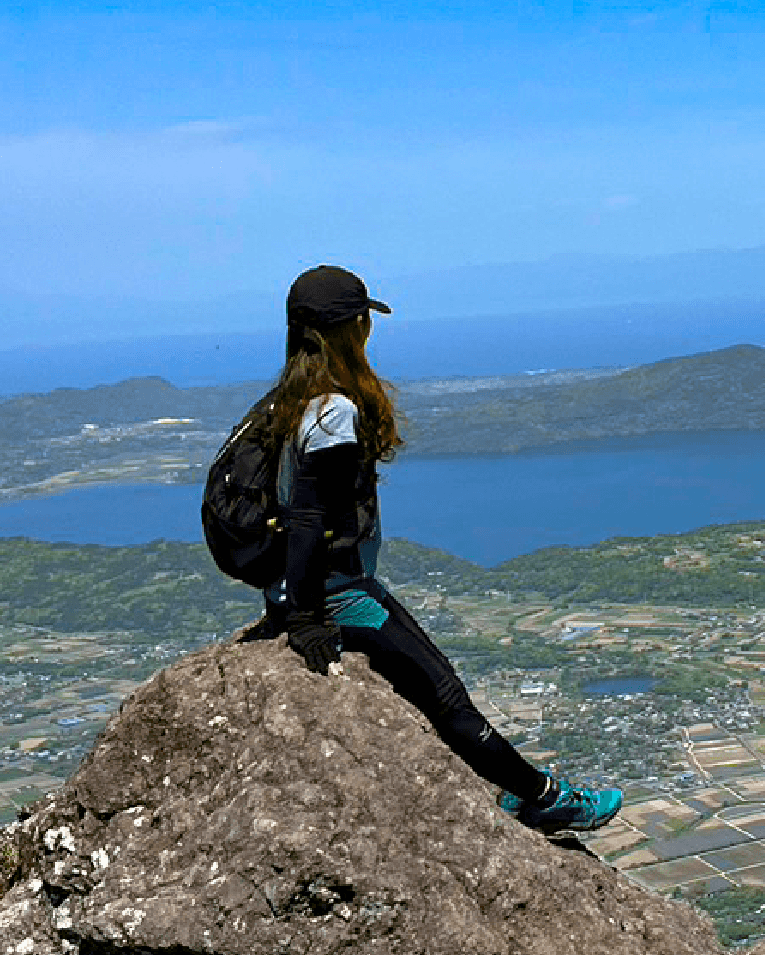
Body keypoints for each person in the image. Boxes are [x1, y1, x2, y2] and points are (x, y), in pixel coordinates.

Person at [241, 264, 622, 835]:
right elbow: (310, 519)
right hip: (341, 595)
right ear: (346, 330)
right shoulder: (333, 413)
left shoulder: (288, 402)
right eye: (364, 319)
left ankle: (532, 793)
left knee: (441, 694)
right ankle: (540, 797)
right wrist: (306, 616)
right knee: (448, 701)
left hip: (300, 589)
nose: (369, 330)